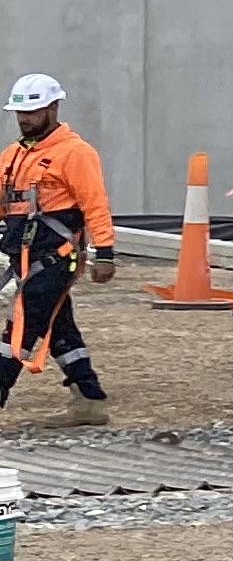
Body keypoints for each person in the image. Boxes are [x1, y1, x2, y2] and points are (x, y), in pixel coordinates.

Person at [1, 73, 120, 419]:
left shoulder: (75, 153)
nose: (25, 119)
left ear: (53, 108)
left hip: (55, 258)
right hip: (23, 256)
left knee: (20, 328)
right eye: (20, 113)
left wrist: (105, 253)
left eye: (33, 112)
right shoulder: (12, 155)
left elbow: (95, 204)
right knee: (59, 327)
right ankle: (90, 399)